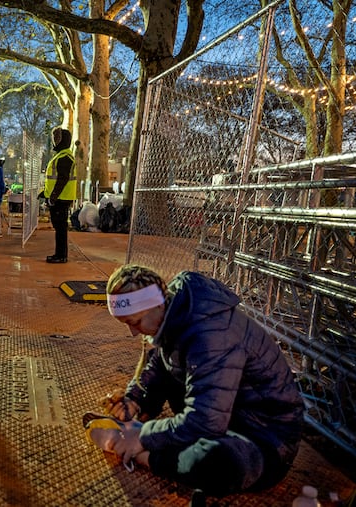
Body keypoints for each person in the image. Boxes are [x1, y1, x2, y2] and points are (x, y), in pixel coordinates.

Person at [84, 264, 304, 504]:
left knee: (212, 462)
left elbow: (206, 421)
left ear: (156, 305)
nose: (132, 332)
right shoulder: (176, 309)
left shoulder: (211, 335)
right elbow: (162, 362)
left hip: (266, 440)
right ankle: (136, 429)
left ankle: (139, 453)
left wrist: (143, 438)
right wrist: (134, 399)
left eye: (134, 321)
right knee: (167, 369)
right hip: (228, 415)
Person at [43, 127, 76, 263]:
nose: (54, 142)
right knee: (59, 228)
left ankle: (61, 256)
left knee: (60, 228)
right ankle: (60, 254)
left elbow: (62, 179)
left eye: (56, 139)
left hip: (60, 199)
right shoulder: (62, 156)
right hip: (60, 198)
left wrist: (53, 197)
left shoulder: (64, 157)